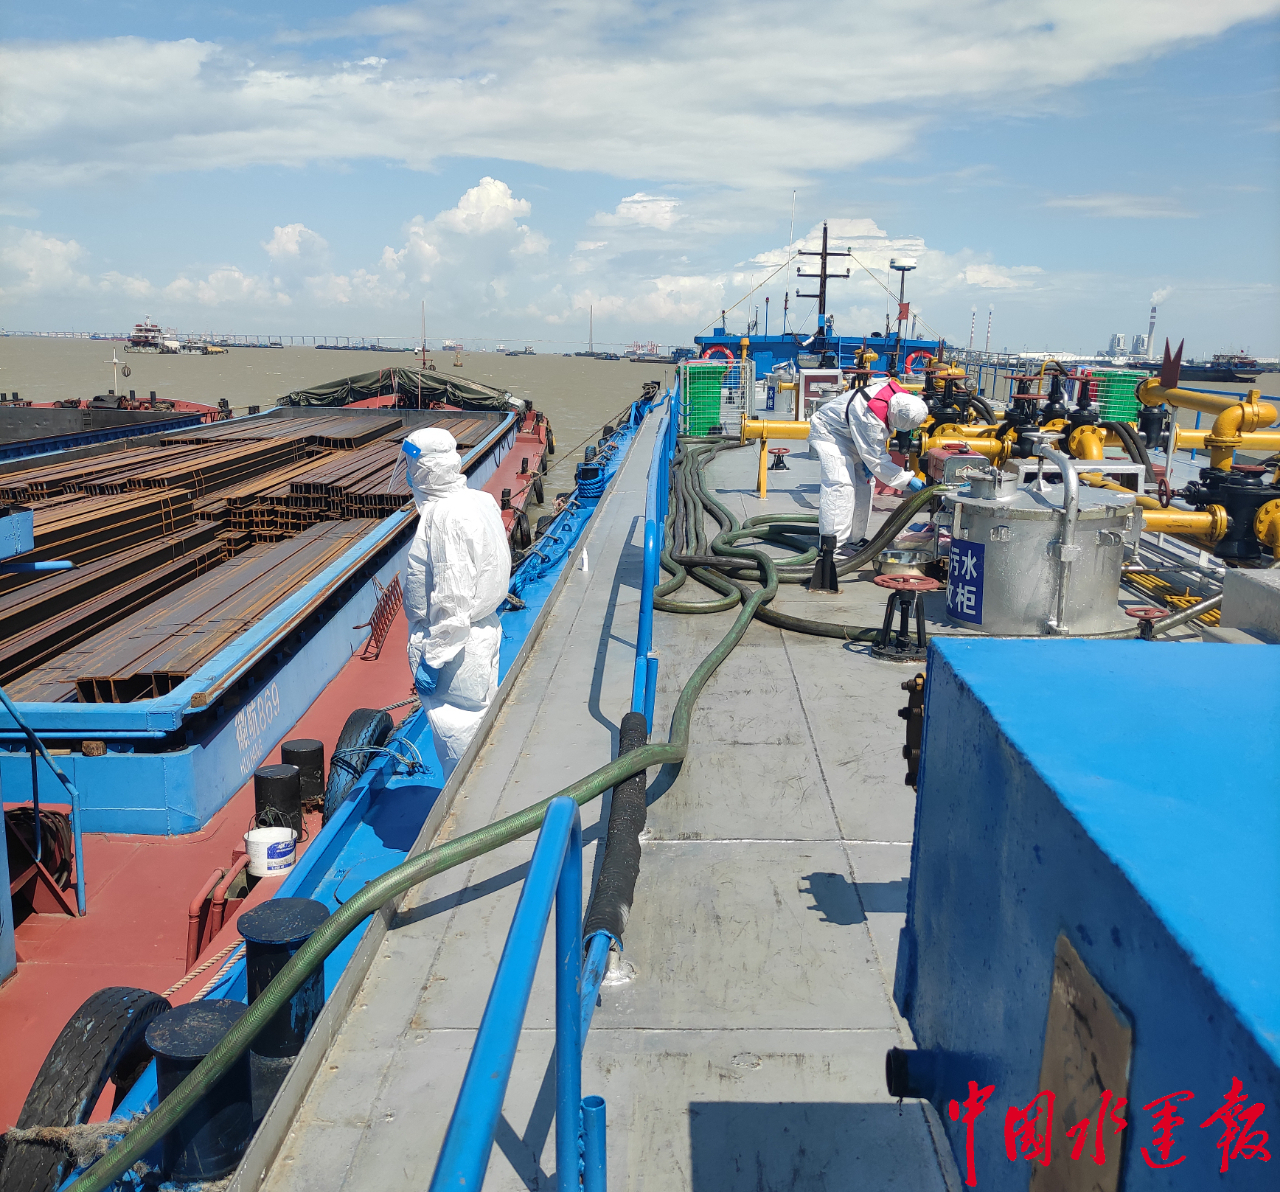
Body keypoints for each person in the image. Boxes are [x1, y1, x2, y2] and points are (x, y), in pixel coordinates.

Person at [402, 428, 511, 773]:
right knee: (481, 732)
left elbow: (452, 599)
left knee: (459, 742)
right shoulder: (480, 500)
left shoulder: (444, 517)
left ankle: (469, 824)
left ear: (424, 470)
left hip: (456, 651)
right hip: (482, 632)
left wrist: (434, 660)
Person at [807, 377, 930, 555]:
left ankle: (853, 539)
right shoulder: (869, 416)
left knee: (864, 484)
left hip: (853, 435)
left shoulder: (900, 401)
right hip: (831, 434)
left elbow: (872, 448)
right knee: (840, 485)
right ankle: (831, 546)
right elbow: (877, 460)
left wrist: (869, 460)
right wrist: (908, 480)